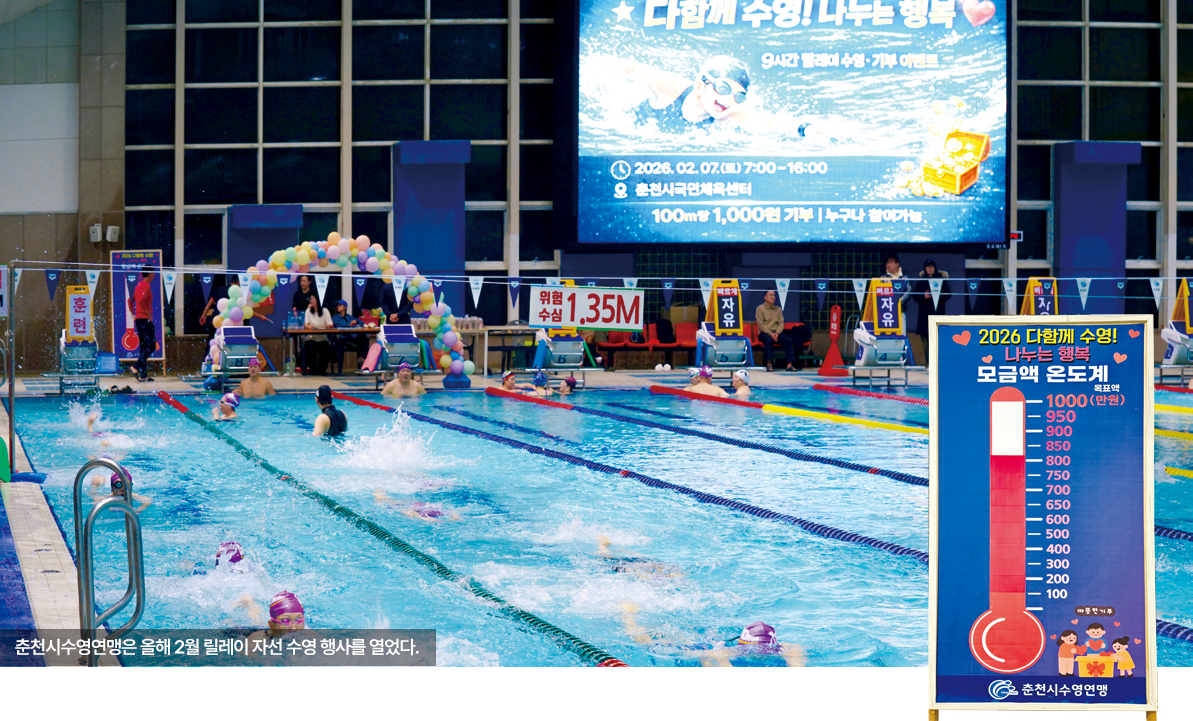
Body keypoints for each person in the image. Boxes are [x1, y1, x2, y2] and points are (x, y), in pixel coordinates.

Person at [597, 54, 831, 139]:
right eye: (723, 89)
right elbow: (631, 70)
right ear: (700, 86)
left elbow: (768, 122)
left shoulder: (731, 115)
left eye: (739, 96)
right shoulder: (670, 88)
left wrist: (805, 128)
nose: (730, 100)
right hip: (631, 123)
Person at [619, 605, 805, 667]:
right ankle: (628, 615)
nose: (761, 653)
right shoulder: (726, 653)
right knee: (647, 643)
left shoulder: (790, 648)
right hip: (706, 651)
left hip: (718, 648)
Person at [913, 259, 950, 365]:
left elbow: (948, 294)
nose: (930, 269)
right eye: (928, 267)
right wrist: (923, 296)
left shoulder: (941, 280)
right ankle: (928, 363)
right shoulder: (921, 281)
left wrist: (936, 294)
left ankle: (937, 363)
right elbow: (915, 296)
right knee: (925, 341)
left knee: (937, 340)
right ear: (925, 268)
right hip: (924, 315)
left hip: (937, 313)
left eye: (932, 266)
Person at [242, 591, 310, 649]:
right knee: (257, 622)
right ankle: (249, 602)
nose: (294, 628)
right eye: (285, 621)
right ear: (272, 625)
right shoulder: (258, 638)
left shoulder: (307, 633)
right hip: (256, 632)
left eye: (298, 620)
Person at [755, 289, 795, 372]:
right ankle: (769, 363)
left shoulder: (778, 309)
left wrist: (777, 333)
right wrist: (770, 334)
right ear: (765, 297)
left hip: (776, 333)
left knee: (788, 340)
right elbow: (760, 324)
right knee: (768, 340)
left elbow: (781, 323)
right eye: (770, 295)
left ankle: (789, 364)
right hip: (765, 333)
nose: (773, 297)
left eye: (774, 295)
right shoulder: (760, 308)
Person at [129, 265, 157, 382]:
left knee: (144, 346)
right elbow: (140, 300)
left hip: (139, 320)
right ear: (150, 274)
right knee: (151, 345)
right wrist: (148, 314)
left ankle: (143, 374)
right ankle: (135, 366)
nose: (154, 275)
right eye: (153, 273)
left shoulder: (138, 285)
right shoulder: (146, 285)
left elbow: (130, 300)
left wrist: (133, 314)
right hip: (145, 320)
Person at [331, 299, 370, 372]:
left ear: (345, 307)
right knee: (360, 340)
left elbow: (361, 322)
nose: (337, 307)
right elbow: (340, 325)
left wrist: (356, 321)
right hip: (343, 338)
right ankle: (362, 358)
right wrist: (349, 324)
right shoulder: (335, 317)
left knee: (364, 337)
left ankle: (362, 358)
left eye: (340, 305)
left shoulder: (349, 317)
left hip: (352, 338)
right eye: (337, 305)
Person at [373, 490, 459, 521]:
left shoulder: (421, 512)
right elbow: (454, 515)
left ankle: (379, 495)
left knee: (386, 503)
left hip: (417, 507)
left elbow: (454, 516)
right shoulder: (432, 510)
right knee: (387, 503)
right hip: (418, 507)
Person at [302, 294, 334, 375]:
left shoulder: (325, 311)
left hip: (323, 337)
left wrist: (329, 326)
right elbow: (305, 324)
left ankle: (322, 369)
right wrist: (309, 327)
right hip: (311, 337)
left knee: (328, 350)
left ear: (317, 300)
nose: (310, 301)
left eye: (312, 299)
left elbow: (331, 324)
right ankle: (313, 369)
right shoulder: (308, 311)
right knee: (308, 348)